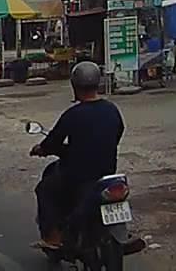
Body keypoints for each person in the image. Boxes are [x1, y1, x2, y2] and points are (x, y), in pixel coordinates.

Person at [30, 60, 125, 250]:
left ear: (74, 86)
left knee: (44, 189)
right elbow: (118, 132)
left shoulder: (73, 114)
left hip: (78, 176)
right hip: (107, 173)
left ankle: (53, 237)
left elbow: (53, 142)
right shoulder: (111, 109)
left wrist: (41, 149)